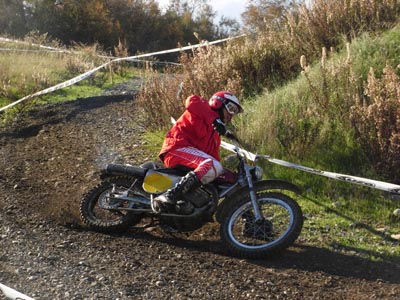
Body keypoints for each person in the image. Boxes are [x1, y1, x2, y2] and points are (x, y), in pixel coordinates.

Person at [152, 91, 243, 214]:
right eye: (230, 109)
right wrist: (215, 120)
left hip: (191, 160)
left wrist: (231, 177)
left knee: (224, 174)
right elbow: (191, 100)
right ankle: (171, 194)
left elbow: (215, 160)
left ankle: (248, 220)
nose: (231, 115)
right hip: (176, 149)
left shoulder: (215, 136)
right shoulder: (201, 108)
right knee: (211, 164)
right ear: (217, 103)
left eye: (234, 112)